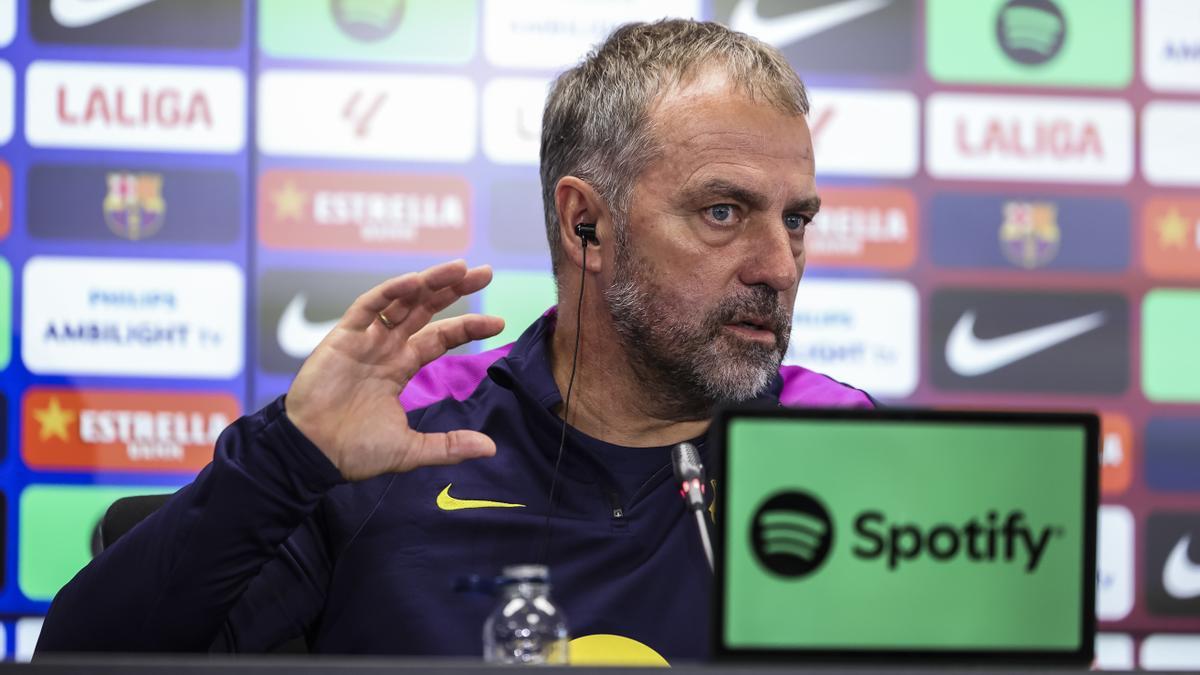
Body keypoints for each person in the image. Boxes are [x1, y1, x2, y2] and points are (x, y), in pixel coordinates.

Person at [36, 19, 872, 664]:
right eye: (723, 212)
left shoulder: (846, 444)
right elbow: (79, 659)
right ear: (586, 224)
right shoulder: (407, 437)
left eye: (795, 219)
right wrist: (288, 458)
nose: (778, 265)